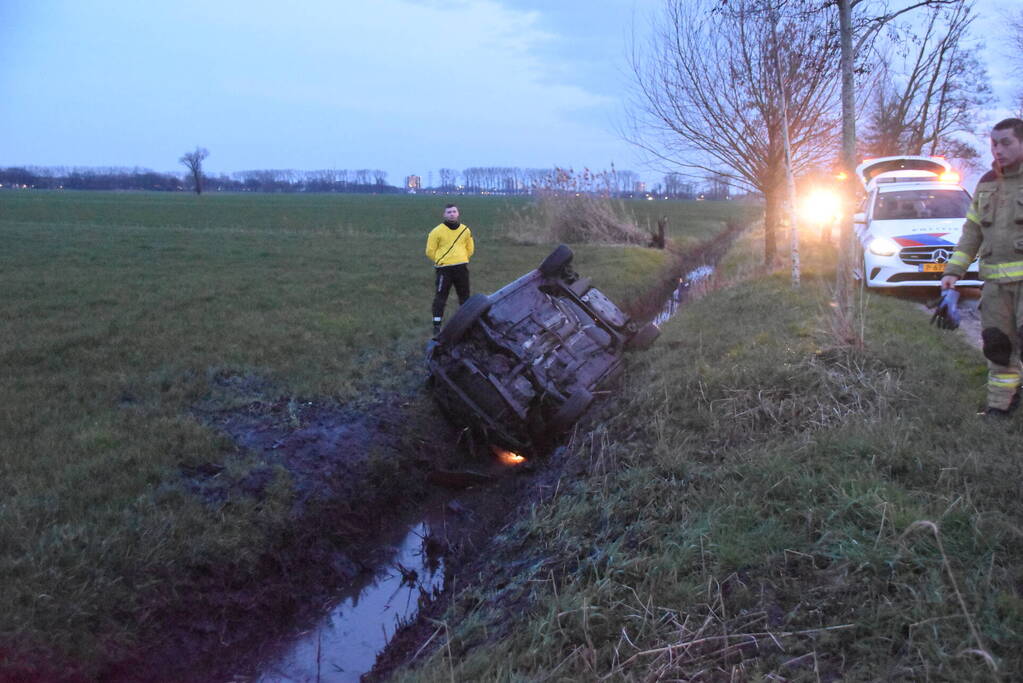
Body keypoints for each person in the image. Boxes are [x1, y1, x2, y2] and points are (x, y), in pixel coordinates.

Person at [941, 118, 1023, 417]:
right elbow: (972, 231)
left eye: (1006, 143)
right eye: (994, 144)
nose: (998, 150)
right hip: (995, 288)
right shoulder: (987, 182)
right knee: (998, 347)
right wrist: (953, 271)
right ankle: (1001, 406)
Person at [425, 204, 475, 335]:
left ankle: (467, 323)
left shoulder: (465, 230)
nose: (452, 214)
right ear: (444, 215)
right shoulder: (436, 232)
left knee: (464, 297)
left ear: (458, 213)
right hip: (444, 269)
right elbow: (430, 251)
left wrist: (461, 258)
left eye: (454, 211)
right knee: (441, 297)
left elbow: (470, 248)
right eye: (449, 212)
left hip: (461, 268)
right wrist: (442, 260)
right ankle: (437, 325)